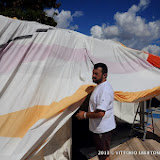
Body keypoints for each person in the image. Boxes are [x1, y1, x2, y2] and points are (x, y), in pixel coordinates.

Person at [76, 63, 116, 160]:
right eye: (93, 73)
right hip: (99, 129)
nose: (93, 76)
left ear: (104, 75)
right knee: (103, 154)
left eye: (96, 74)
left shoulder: (105, 90)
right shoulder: (99, 86)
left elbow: (100, 113)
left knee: (103, 156)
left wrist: (84, 115)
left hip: (103, 130)